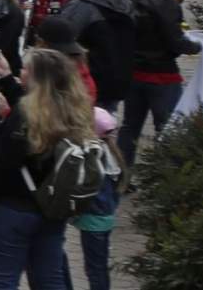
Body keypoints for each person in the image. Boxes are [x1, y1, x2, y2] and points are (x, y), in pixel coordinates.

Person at [0, 48, 95, 290]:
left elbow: (3, 164)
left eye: (24, 69)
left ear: (35, 77)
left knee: (5, 280)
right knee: (49, 278)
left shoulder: (23, 115)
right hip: (52, 208)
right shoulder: (72, 111)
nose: (19, 73)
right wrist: (5, 79)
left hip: (14, 209)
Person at [119, 0, 200, 164]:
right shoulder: (168, 3)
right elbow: (176, 42)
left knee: (129, 128)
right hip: (163, 76)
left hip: (133, 74)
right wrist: (198, 46)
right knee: (168, 129)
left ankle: (120, 176)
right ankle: (168, 177)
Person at [57, 0, 133, 114]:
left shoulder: (81, 6)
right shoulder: (126, 0)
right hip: (119, 81)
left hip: (88, 85)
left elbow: (60, 39)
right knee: (105, 127)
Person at [67, 107, 123, 290]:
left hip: (93, 221)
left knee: (95, 269)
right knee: (98, 266)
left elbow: (84, 191)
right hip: (105, 219)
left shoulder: (92, 158)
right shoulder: (112, 155)